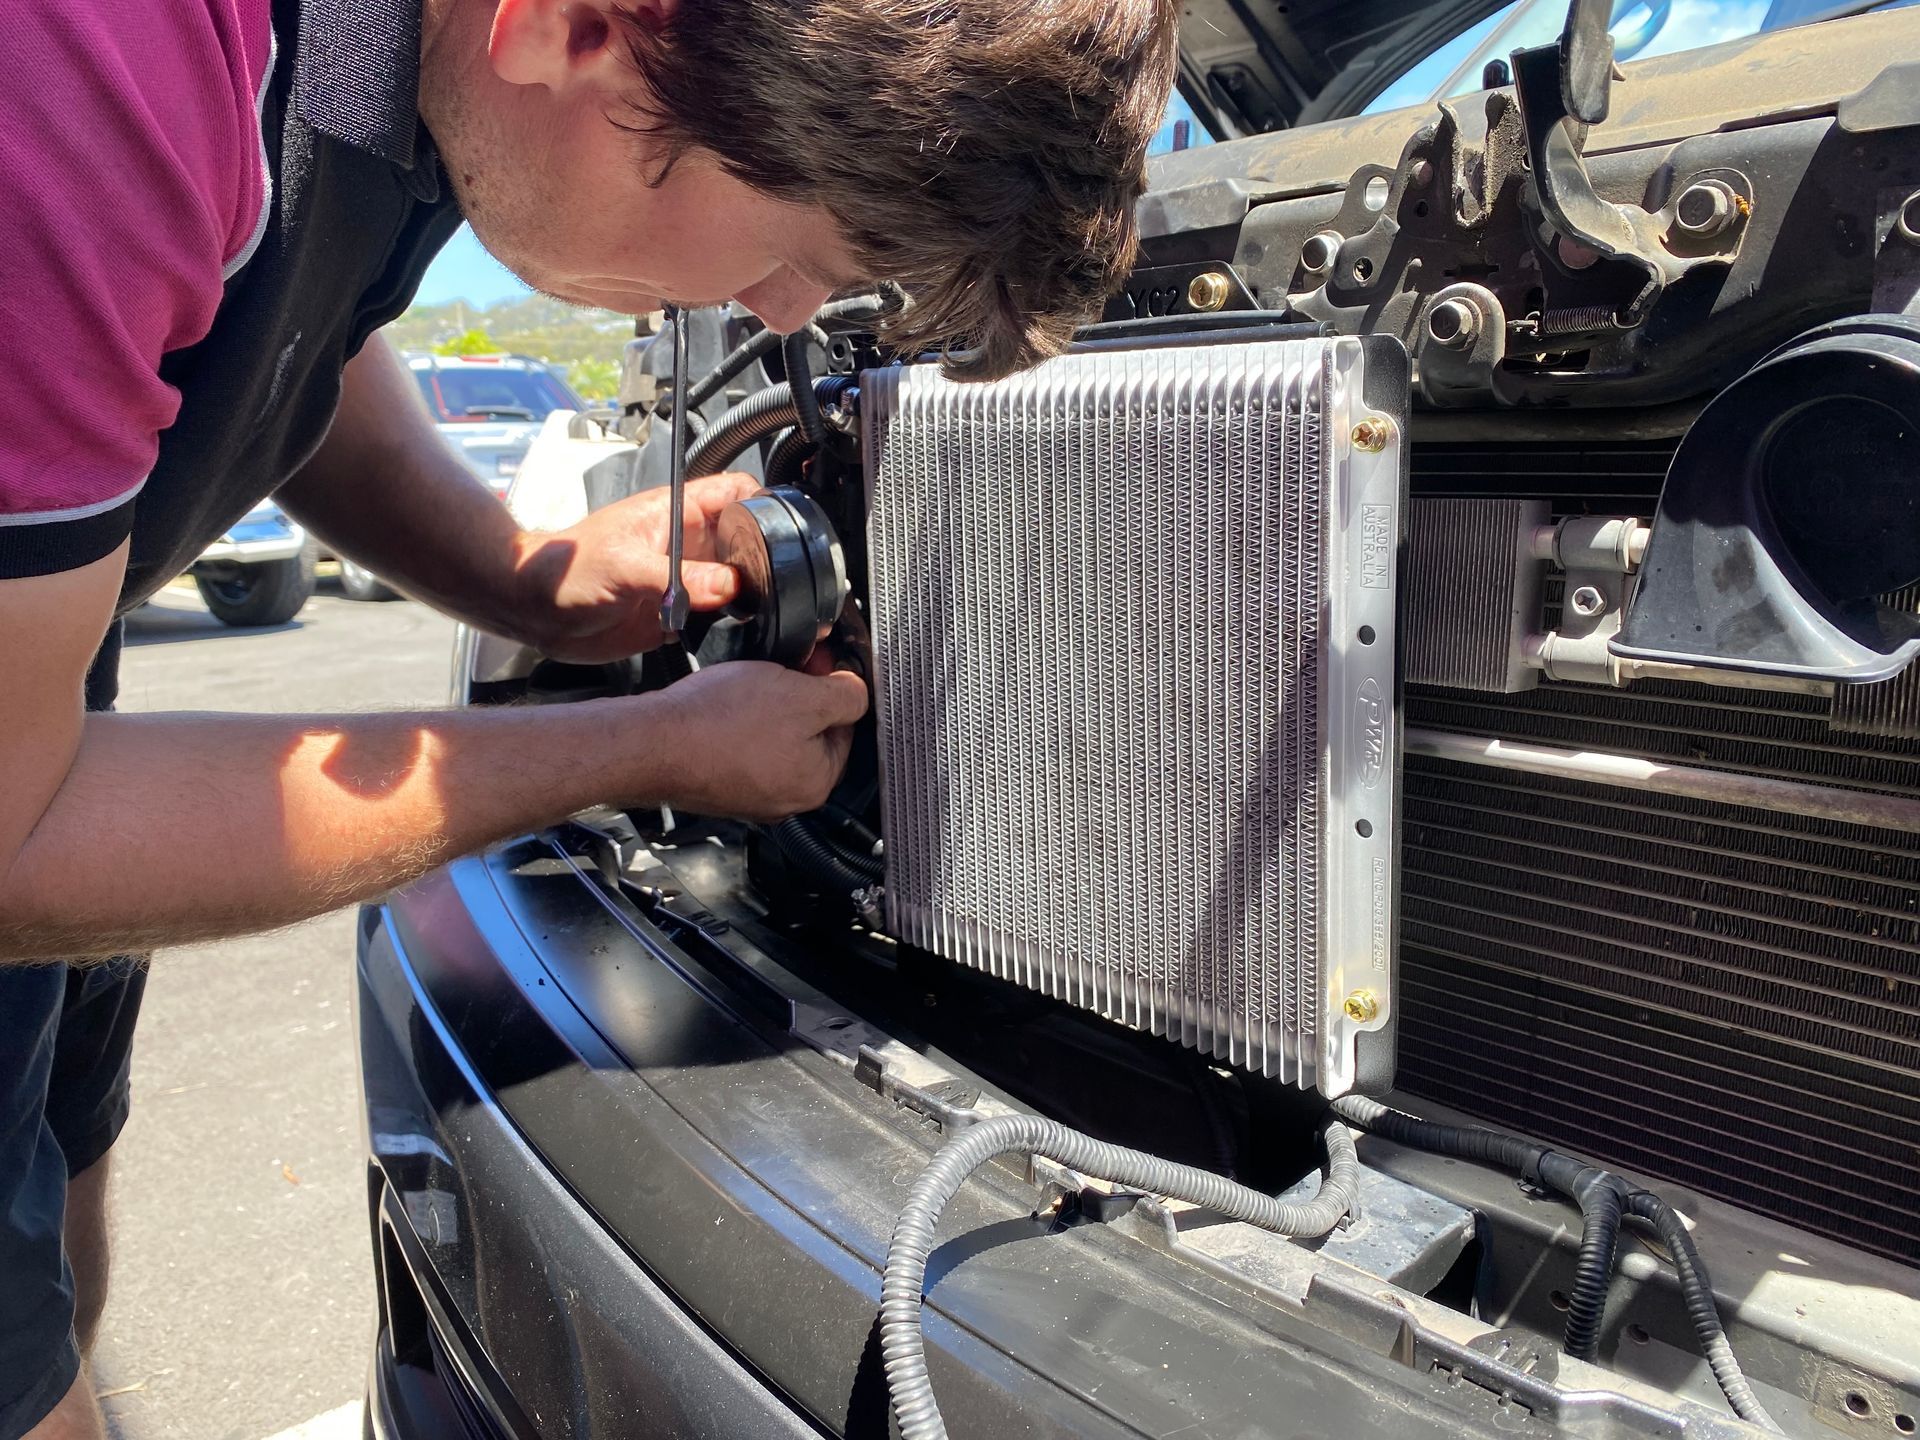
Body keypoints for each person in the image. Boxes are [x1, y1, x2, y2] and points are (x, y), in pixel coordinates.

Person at [0, 0, 1176, 1433]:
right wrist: (639, 747)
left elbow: (276, 290)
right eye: (792, 253)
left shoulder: (416, 85)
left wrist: (533, 585)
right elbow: (21, 841)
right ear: (575, 25)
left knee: (54, 1177)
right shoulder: (88, 67)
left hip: (45, 669)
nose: (784, 313)